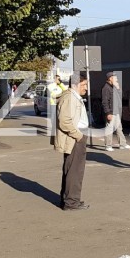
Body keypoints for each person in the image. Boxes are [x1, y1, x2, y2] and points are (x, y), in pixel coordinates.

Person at [54, 74, 90, 211]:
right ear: (75, 85)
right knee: (75, 171)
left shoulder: (72, 96)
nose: (86, 88)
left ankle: (69, 200)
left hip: (75, 137)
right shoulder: (70, 98)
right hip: (74, 139)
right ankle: (71, 202)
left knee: (71, 170)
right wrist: (78, 135)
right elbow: (64, 121)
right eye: (83, 85)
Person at [101, 72, 130, 152]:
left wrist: (118, 88)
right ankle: (108, 146)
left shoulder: (114, 87)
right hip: (111, 112)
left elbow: (121, 96)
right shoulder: (106, 88)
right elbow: (105, 101)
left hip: (117, 111)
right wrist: (108, 113)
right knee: (109, 128)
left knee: (119, 128)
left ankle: (122, 144)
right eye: (115, 78)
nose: (117, 80)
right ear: (110, 78)